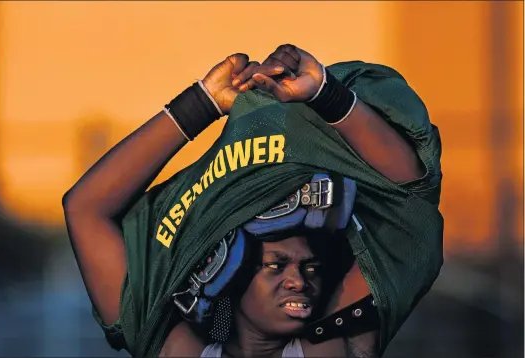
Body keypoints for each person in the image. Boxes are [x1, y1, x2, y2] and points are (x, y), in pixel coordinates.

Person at [63, 44, 443, 357]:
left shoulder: (331, 347)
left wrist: (326, 94)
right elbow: (84, 209)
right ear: (227, 271)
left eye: (310, 268)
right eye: (275, 265)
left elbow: (408, 192)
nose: (299, 281)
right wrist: (203, 103)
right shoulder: (180, 351)